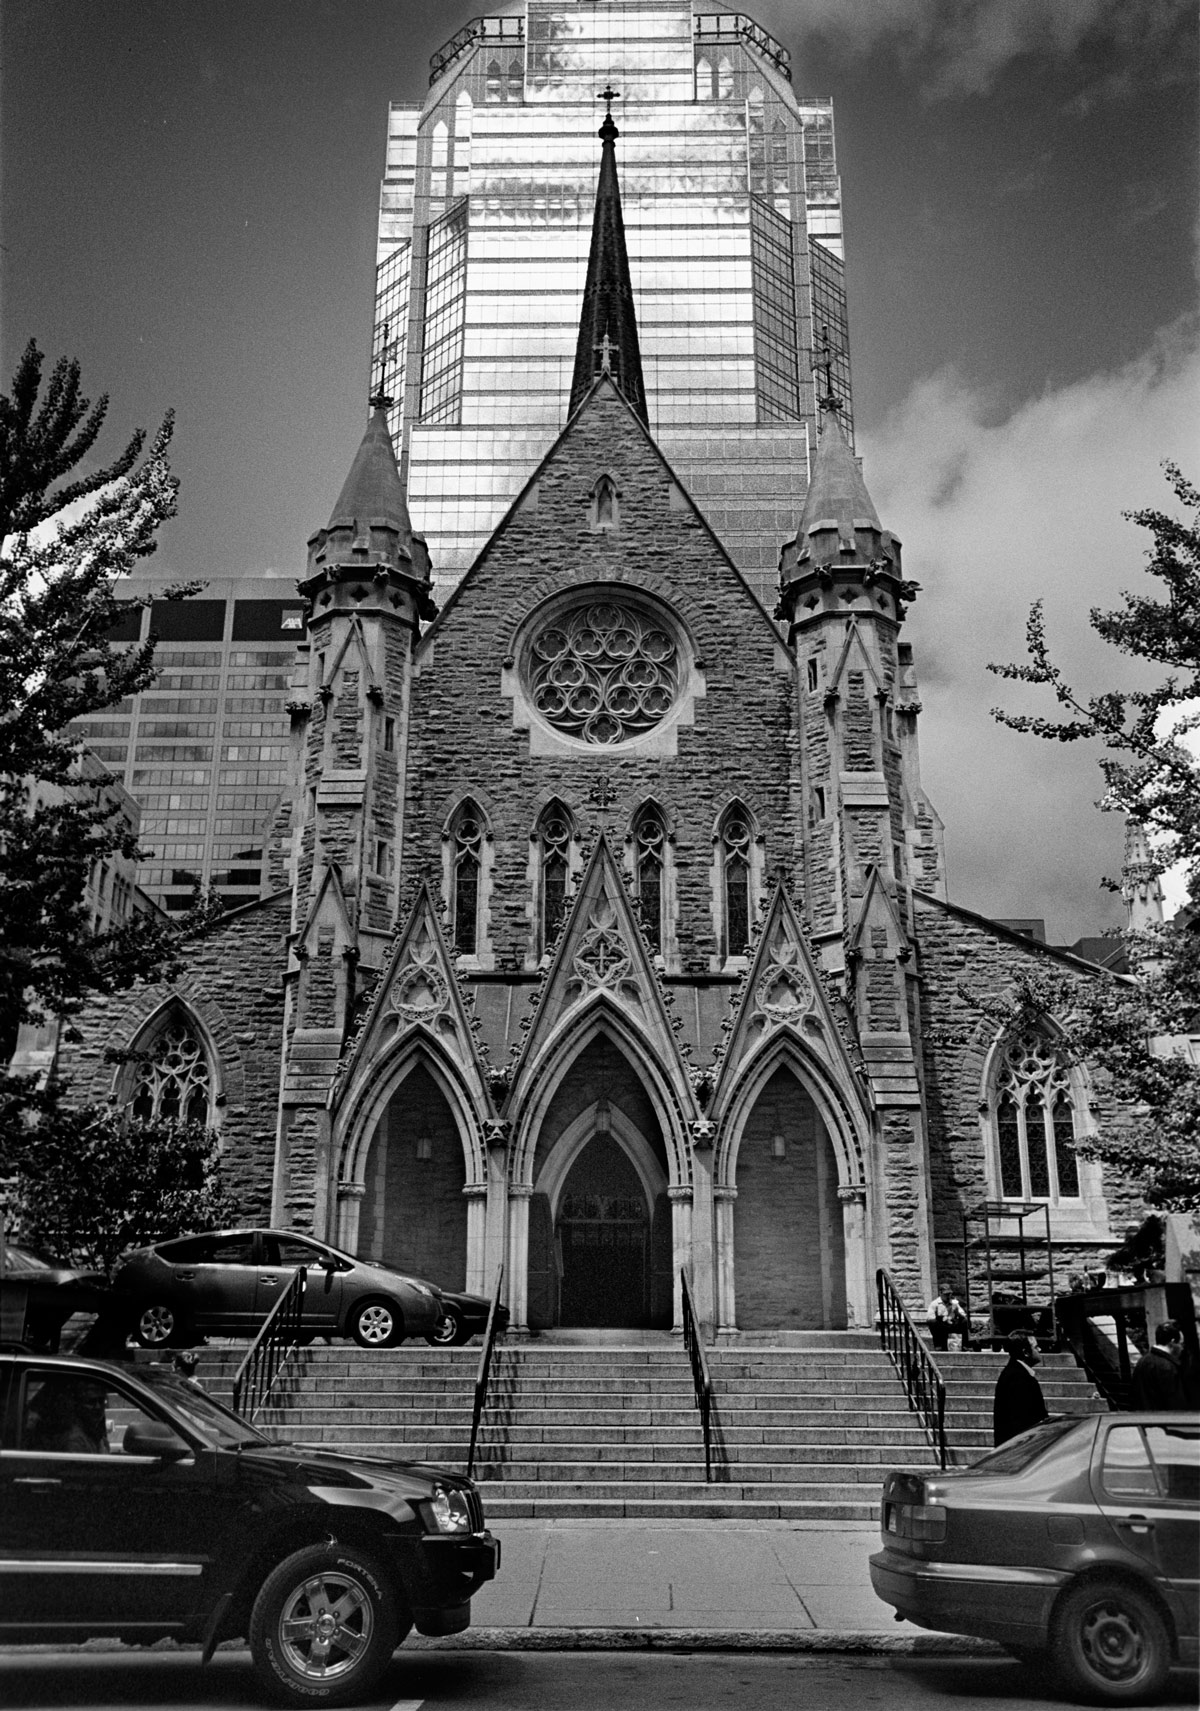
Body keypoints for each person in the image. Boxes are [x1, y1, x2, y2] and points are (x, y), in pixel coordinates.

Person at [26, 1379, 110, 1454]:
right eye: (91, 1402)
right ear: (79, 1405)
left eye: (101, 1401)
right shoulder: (75, 1441)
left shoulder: (94, 1432)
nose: (98, 1407)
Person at [993, 1332, 1048, 1446]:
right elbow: (1023, 1419)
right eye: (1036, 1347)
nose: (1040, 1349)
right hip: (1021, 1448)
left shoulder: (1015, 1373)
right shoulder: (1018, 1378)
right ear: (1026, 1352)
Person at [1129, 1320, 1188, 1410]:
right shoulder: (1168, 1368)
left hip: (1143, 1419)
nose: (1182, 1348)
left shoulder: (1142, 1361)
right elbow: (1175, 1403)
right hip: (1164, 1420)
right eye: (1181, 1344)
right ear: (1172, 1342)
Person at [926, 1285, 968, 1351]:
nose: (948, 1296)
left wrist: (957, 1313)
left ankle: (965, 1345)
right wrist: (942, 1318)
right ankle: (938, 1345)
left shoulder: (954, 1303)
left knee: (965, 1321)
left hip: (953, 1323)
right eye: (946, 1294)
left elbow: (963, 1316)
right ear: (940, 1293)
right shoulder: (935, 1303)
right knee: (932, 1323)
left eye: (949, 1294)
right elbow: (930, 1318)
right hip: (942, 1325)